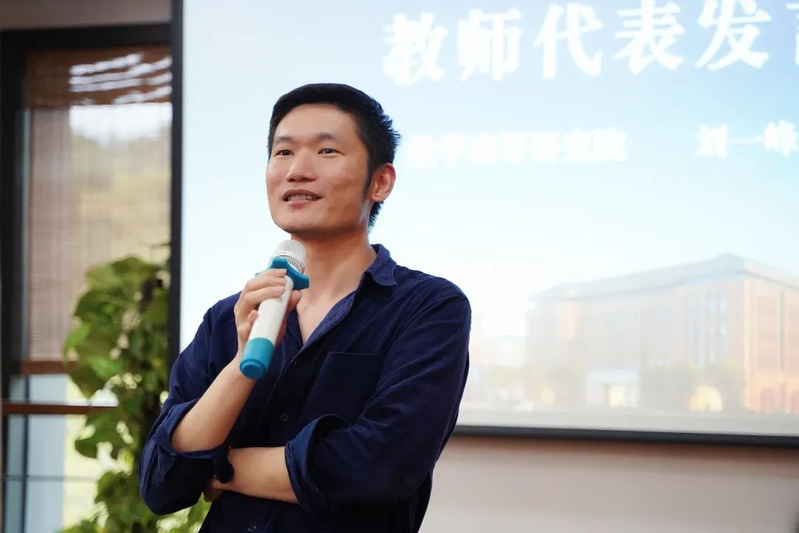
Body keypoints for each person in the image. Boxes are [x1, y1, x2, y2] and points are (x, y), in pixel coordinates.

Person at [139, 83, 471, 533]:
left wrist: (221, 467)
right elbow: (163, 484)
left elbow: (378, 467)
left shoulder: (428, 307)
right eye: (283, 152)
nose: (297, 171)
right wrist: (241, 366)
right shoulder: (229, 317)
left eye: (327, 151)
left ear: (380, 182)